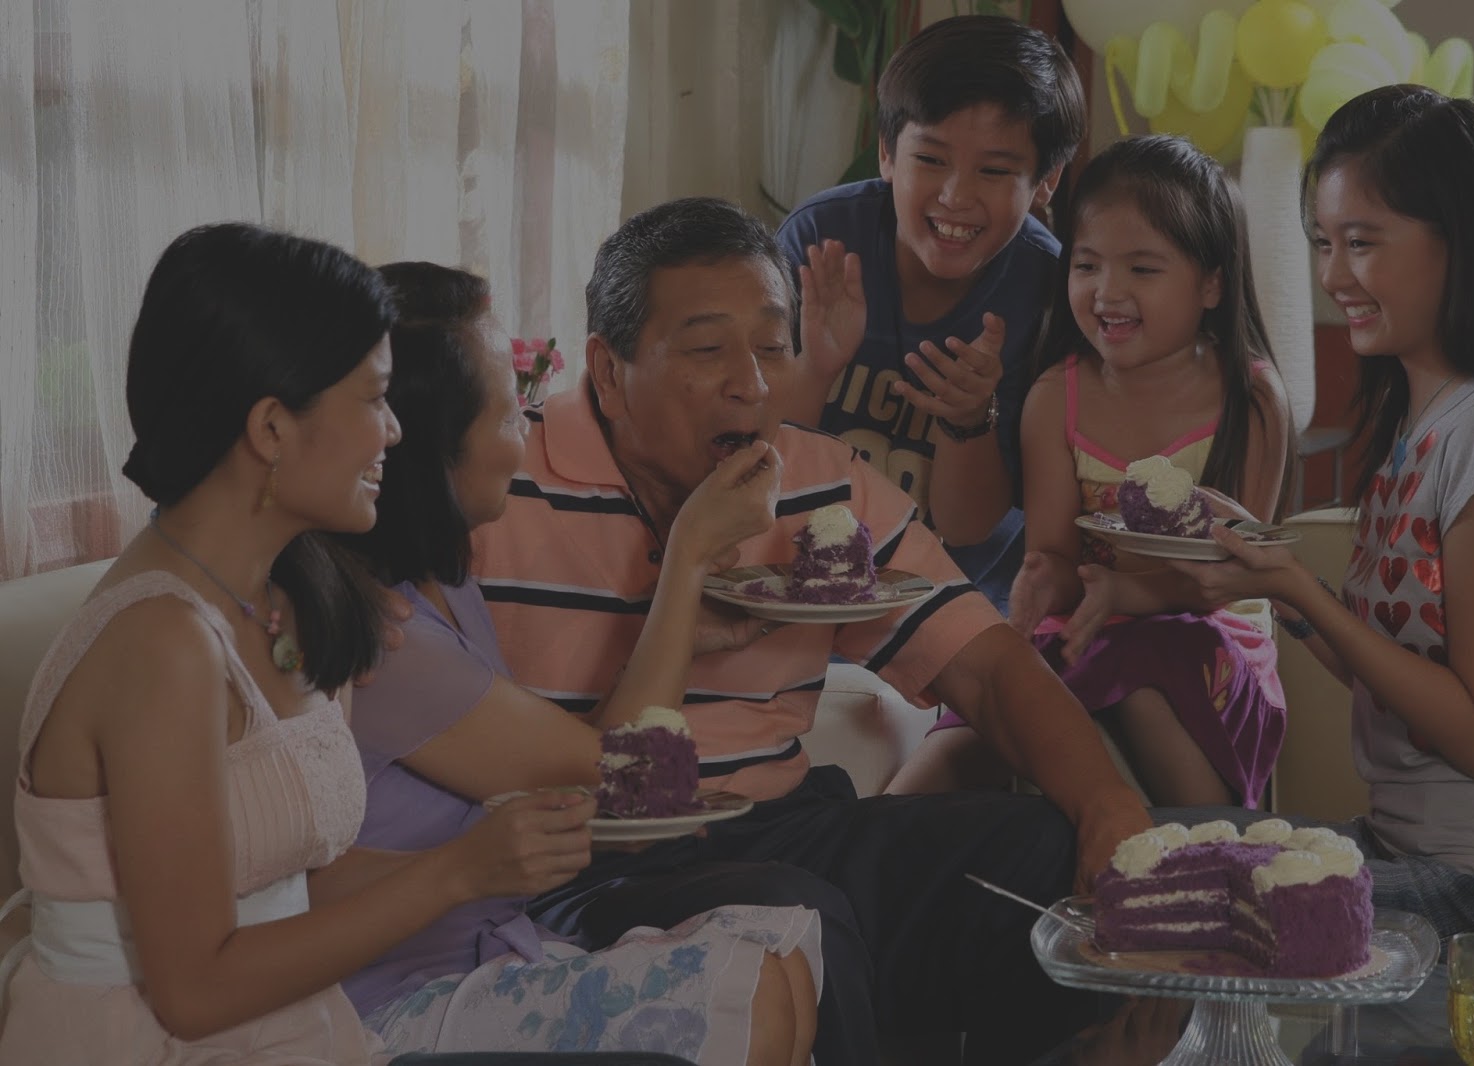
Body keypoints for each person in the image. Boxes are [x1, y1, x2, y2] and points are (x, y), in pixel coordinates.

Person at [471, 196, 1153, 1065]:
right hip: (579, 865)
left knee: (1040, 852)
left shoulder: (821, 484)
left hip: (776, 827)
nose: (751, 385)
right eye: (709, 349)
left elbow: (984, 666)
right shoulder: (505, 487)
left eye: (771, 346)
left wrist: (1111, 808)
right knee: (792, 910)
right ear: (606, 371)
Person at [0, 222, 690, 1066]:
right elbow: (195, 991)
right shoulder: (163, 644)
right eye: (372, 400)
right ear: (272, 428)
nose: (394, 433)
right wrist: (458, 872)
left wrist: (489, 858)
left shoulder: (283, 601)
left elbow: (296, 888)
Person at [338, 260, 818, 1066]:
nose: (527, 429)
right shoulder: (388, 641)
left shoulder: (446, 583)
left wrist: (681, 623)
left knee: (789, 952)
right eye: (508, 412)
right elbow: (632, 779)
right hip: (395, 1003)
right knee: (758, 976)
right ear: (429, 450)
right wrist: (690, 554)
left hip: (493, 951)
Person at [1168, 84, 1474, 944]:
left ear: (1457, 243)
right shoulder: (1417, 428)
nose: (1332, 278)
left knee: (1198, 920)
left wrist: (1309, 593)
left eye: (1361, 244)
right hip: (1408, 850)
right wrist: (1274, 586)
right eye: (1325, 243)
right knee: (1170, 869)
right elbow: (1399, 674)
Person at [891, 135, 1292, 807]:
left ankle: (1218, 853)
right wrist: (1040, 582)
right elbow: (1054, 554)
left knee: (1143, 669)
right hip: (1087, 623)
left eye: (1143, 269)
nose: (1108, 293)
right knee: (983, 711)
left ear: (1212, 282)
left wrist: (1130, 596)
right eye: (1087, 265)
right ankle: (878, 845)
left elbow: (1235, 573)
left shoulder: (1249, 399)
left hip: (1208, 633)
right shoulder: (1059, 395)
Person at [775, 14, 1081, 612]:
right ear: (888, 154)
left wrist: (969, 419)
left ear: (1045, 181)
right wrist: (815, 368)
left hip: (956, 597)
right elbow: (762, 467)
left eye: (994, 171)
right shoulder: (819, 242)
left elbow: (969, 529)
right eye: (931, 159)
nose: (955, 196)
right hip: (799, 582)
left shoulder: (1048, 288)